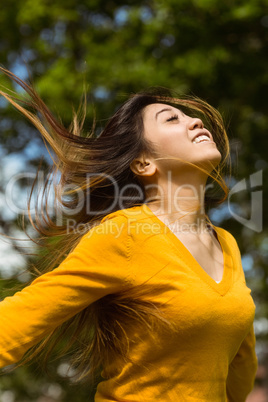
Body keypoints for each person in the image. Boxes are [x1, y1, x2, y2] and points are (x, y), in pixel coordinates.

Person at [0, 67, 258, 401]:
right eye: (171, 119)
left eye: (190, 116)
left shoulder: (227, 245)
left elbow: (241, 366)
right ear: (143, 164)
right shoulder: (125, 235)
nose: (195, 122)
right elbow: (18, 319)